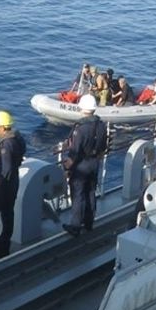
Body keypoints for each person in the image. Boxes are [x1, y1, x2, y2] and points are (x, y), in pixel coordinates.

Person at [0, 110, 27, 262]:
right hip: (14, 181)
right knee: (8, 214)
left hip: (4, 185)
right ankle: (5, 245)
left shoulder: (6, 144)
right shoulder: (17, 139)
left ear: (2, 127)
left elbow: (5, 168)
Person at [63, 95, 109, 236]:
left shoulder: (81, 128)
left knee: (78, 194)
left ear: (82, 108)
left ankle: (75, 226)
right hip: (95, 163)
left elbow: (75, 151)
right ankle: (89, 222)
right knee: (90, 192)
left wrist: (67, 167)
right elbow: (103, 147)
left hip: (81, 165)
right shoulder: (101, 125)